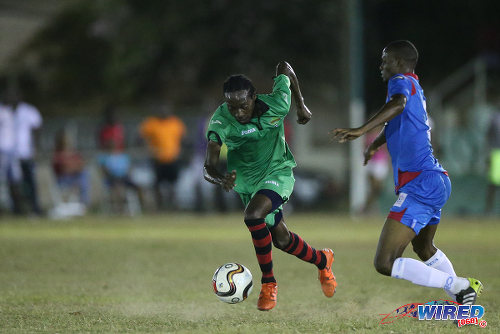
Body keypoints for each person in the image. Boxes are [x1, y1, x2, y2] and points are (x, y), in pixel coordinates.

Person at [330, 40, 483, 305]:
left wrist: (360, 130)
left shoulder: (400, 82)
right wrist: (374, 145)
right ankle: (461, 297)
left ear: (399, 63)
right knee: (423, 248)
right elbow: (395, 123)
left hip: (420, 183)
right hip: (435, 180)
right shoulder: (416, 87)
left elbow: (398, 105)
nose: (381, 66)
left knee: (385, 261)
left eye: (385, 60)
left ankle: (458, 285)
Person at [204, 61, 337, 311]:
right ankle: (322, 260)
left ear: (254, 97)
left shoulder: (277, 102)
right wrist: (221, 178)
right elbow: (208, 166)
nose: (238, 113)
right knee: (282, 240)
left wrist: (301, 105)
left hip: (278, 171)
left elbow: (284, 67)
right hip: (247, 183)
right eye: (232, 107)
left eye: (243, 105)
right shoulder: (221, 121)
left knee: (253, 216)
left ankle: (269, 284)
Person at [5, 89, 43, 215]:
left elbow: (37, 128)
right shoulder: (5, 111)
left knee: (29, 180)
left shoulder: (29, 111)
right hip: (9, 153)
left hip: (25, 152)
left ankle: (35, 207)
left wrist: (35, 147)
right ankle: (17, 209)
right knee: (13, 182)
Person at [140, 106, 186, 211]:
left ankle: (173, 206)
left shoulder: (175, 123)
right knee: (157, 184)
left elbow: (184, 138)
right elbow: (140, 137)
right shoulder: (152, 123)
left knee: (174, 184)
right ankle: (159, 206)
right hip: (157, 159)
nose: (164, 112)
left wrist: (180, 150)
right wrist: (149, 149)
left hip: (173, 159)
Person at [97, 138, 144, 213]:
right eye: (110, 146)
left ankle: (142, 208)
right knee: (118, 188)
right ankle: (118, 209)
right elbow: (104, 170)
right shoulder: (104, 158)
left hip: (124, 177)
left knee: (138, 187)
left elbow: (129, 168)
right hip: (111, 178)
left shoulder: (123, 156)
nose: (112, 147)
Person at [52, 130, 90, 207]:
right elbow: (64, 170)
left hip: (75, 177)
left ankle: (84, 204)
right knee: (81, 177)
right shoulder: (57, 155)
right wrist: (74, 167)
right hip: (63, 179)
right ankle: (83, 203)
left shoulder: (74, 153)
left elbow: (81, 165)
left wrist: (73, 168)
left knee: (84, 175)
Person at [363, 125, 390, 214]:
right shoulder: (368, 136)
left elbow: (387, 149)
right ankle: (366, 209)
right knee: (374, 189)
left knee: (377, 190)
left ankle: (368, 208)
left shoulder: (384, 135)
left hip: (381, 162)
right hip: (372, 163)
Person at [485, 110, 500, 214]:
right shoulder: (495, 118)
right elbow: (488, 135)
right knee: (493, 183)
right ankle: (488, 209)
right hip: (496, 152)